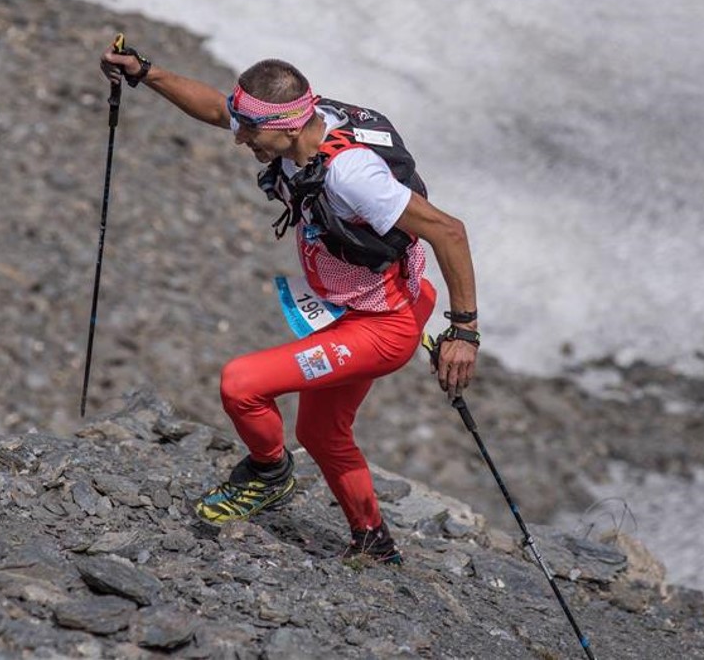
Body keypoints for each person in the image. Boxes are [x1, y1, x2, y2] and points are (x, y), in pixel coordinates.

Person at [100, 43, 480, 564]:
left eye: (251, 132)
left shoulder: (352, 174)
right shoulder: (301, 124)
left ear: (288, 126)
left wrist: (463, 333)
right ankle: (372, 541)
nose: (239, 139)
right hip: (363, 306)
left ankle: (269, 474)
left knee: (242, 384)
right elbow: (217, 109)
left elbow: (448, 231)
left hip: (380, 328)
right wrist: (147, 73)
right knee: (320, 432)